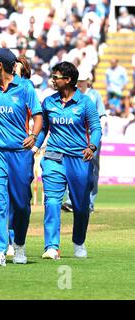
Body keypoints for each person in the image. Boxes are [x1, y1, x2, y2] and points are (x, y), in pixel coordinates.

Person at [0, 48, 42, 266]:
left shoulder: (25, 87)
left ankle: (19, 244)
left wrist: (33, 135)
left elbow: (38, 116)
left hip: (20, 153)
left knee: (21, 204)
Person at [35, 62, 102, 260]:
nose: (53, 80)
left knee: (80, 206)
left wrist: (92, 147)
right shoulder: (48, 102)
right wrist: (33, 147)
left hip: (79, 159)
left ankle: (79, 241)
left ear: (69, 80)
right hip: (53, 157)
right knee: (52, 201)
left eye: (56, 77)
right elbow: (44, 129)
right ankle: (52, 247)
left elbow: (96, 128)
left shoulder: (85, 102)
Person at [61, 71, 106, 214]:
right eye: (78, 81)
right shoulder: (73, 95)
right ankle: (70, 201)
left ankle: (90, 203)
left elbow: (102, 117)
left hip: (92, 139)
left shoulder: (94, 95)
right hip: (77, 138)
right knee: (72, 167)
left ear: (87, 80)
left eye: (82, 81)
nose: (79, 83)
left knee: (92, 170)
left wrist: (96, 137)